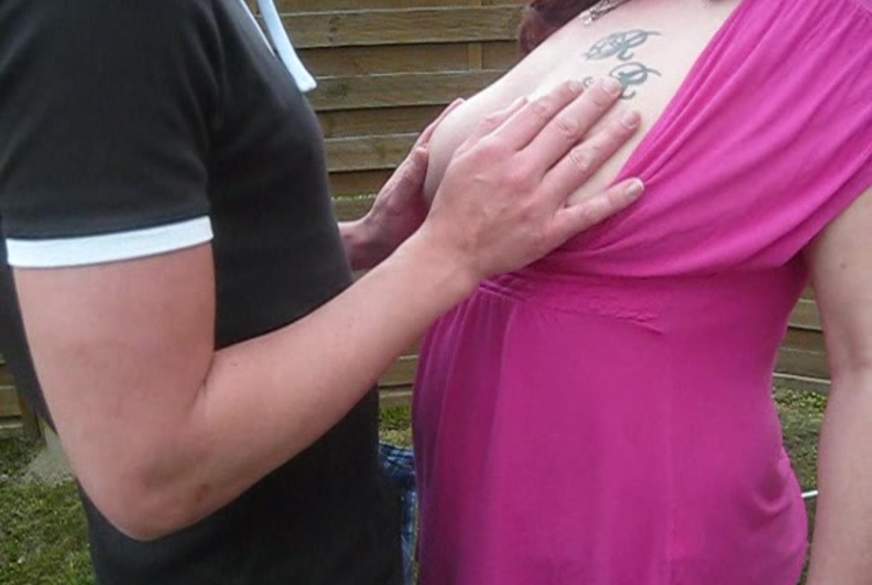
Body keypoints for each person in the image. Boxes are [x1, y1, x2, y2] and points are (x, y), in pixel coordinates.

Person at [0, 0, 645, 583]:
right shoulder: (100, 18)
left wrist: (359, 242)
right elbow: (153, 471)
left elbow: (156, 265)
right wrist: (450, 250)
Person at [414, 0, 872, 584]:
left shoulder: (842, 32)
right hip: (470, 515)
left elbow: (866, 364)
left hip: (649, 538)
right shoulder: (587, 12)